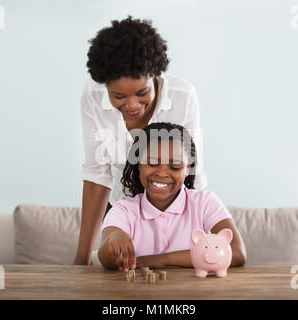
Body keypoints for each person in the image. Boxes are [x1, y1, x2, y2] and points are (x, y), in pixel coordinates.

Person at [74, 16, 208, 265]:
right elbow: (96, 176)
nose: (133, 105)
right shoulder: (92, 98)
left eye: (142, 92)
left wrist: (201, 244)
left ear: (155, 75)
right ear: (105, 87)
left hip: (175, 212)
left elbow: (191, 174)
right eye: (118, 96)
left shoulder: (182, 97)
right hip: (120, 211)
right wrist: (80, 261)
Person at [98, 122, 246, 270]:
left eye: (175, 166)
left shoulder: (204, 203)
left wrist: (161, 260)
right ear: (139, 165)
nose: (162, 173)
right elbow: (105, 258)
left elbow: (236, 252)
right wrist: (115, 237)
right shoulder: (123, 209)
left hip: (194, 292)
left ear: (188, 169)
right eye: (152, 163)